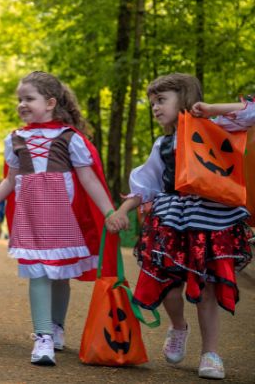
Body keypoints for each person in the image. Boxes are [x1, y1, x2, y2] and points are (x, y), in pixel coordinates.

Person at [106, 73, 254, 380]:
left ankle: (211, 353)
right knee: (169, 286)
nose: (155, 108)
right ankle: (178, 326)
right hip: (172, 219)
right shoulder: (162, 144)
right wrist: (121, 209)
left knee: (209, 288)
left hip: (211, 220)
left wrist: (211, 108)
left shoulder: (218, 128)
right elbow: (145, 185)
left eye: (161, 101)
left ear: (184, 99)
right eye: (151, 103)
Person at [0, 71, 115, 366]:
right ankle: (43, 337)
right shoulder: (15, 138)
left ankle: (56, 328)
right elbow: (9, 181)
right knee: (38, 273)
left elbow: (89, 180)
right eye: (20, 100)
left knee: (60, 275)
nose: (22, 104)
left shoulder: (69, 137)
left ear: (50, 102)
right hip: (31, 217)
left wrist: (109, 212)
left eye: (29, 99)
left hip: (62, 216)